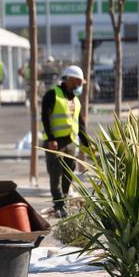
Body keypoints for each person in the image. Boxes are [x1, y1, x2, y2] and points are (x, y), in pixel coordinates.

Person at [41, 65, 88, 219]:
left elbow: (80, 124)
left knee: (69, 174)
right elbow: (45, 117)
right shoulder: (52, 94)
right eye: (79, 81)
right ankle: (58, 205)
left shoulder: (76, 100)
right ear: (69, 79)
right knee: (55, 175)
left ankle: (65, 200)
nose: (80, 85)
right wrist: (51, 138)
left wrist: (86, 143)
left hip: (70, 143)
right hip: (55, 143)